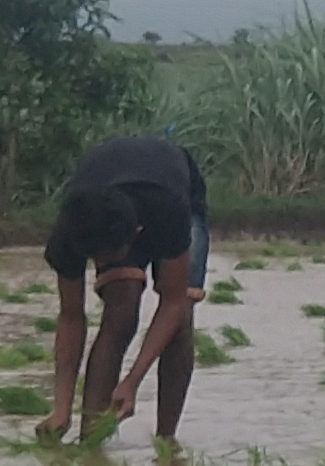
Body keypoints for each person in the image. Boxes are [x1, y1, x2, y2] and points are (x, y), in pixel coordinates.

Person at [38, 131, 209, 443]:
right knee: (120, 309)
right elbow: (71, 318)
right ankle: (90, 439)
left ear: (136, 234)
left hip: (173, 192)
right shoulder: (71, 233)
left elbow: (171, 302)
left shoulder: (169, 212)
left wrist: (132, 380)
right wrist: (61, 407)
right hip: (106, 192)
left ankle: (166, 441)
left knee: (181, 320)